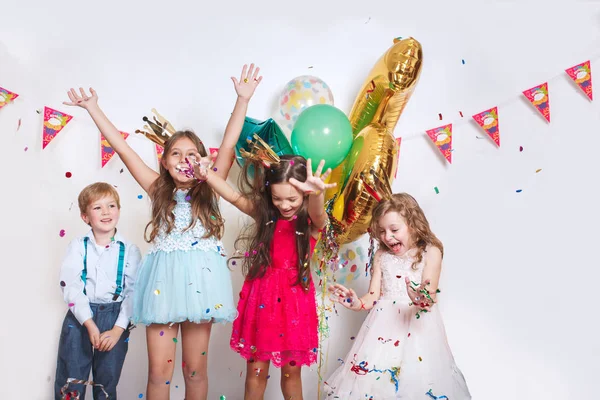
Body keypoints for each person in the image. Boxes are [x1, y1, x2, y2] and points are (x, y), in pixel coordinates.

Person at [62, 63, 262, 399]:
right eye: (176, 154)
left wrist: (242, 101)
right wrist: (94, 108)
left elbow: (227, 145)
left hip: (201, 286)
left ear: (202, 160)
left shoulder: (209, 185)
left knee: (194, 370)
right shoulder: (158, 188)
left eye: (192, 154)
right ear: (165, 161)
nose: (184, 160)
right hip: (161, 286)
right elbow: (124, 150)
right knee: (160, 373)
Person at [195, 154, 335, 400]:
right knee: (256, 374)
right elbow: (234, 196)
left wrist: (316, 194)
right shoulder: (267, 217)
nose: (285, 205)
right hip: (263, 300)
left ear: (303, 194)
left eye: (292, 198)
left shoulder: (311, 223)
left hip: (294, 304)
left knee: (292, 377)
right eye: (277, 198)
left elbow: (319, 215)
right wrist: (207, 175)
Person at [325, 193, 471, 399]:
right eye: (382, 231)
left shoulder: (431, 251)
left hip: (419, 329)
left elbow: (428, 297)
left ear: (413, 224)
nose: (387, 237)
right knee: (377, 383)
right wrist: (356, 302)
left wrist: (416, 296)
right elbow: (372, 297)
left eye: (394, 230)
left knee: (417, 382)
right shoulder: (382, 256)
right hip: (382, 329)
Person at [54, 182, 141, 400]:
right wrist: (89, 323)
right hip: (80, 318)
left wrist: (118, 330)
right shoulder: (77, 245)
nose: (106, 212)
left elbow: (133, 293)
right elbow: (71, 286)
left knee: (107, 381)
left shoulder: (130, 250)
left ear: (119, 211)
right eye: (97, 207)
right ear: (85, 217)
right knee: (71, 379)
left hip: (115, 319)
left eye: (111, 206)